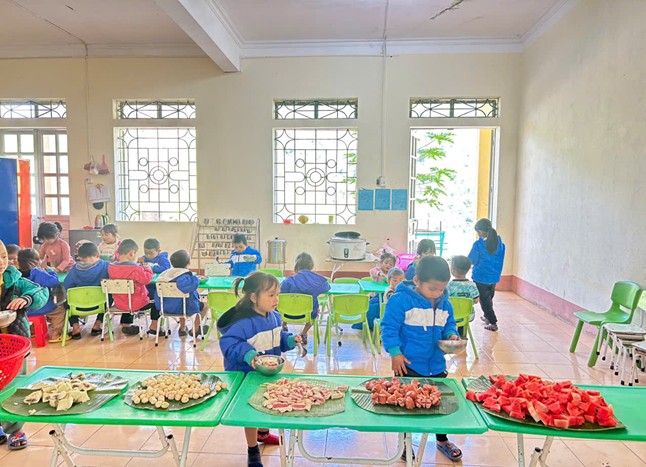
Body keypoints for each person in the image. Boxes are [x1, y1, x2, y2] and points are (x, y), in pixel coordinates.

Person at [381, 255, 463, 462]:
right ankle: (405, 444)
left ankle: (442, 440)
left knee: (439, 405)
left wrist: (451, 335)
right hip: (408, 364)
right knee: (406, 407)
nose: (437, 293)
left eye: (442, 289)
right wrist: (395, 352)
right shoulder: (400, 301)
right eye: (433, 288)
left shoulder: (445, 304)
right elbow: (389, 328)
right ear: (417, 281)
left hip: (436, 364)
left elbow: (449, 324)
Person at [217, 272, 301, 467]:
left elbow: (278, 337)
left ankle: (263, 434)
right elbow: (229, 343)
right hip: (246, 374)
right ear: (254, 297)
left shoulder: (274, 317)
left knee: (265, 403)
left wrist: (289, 340)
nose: (276, 299)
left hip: (266, 373)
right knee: (251, 412)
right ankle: (252, 449)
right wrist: (248, 355)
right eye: (271, 295)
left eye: (277, 294)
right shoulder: (242, 322)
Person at [0, 240, 49, 451]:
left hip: (14, 346)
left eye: (4, 257)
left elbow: (41, 293)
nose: (2, 262)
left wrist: (26, 299)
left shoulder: (15, 279)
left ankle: (15, 430)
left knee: (13, 387)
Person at [153, 249, 208, 337]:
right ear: (189, 262)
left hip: (165, 307)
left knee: (180, 300)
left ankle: (183, 328)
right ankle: (195, 329)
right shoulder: (185, 276)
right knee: (205, 306)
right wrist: (197, 279)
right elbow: (189, 286)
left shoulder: (165, 274)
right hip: (183, 307)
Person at [279, 252, 330, 344]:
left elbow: (280, 293)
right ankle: (304, 333)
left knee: (284, 302)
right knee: (315, 307)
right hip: (308, 315)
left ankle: (284, 324)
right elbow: (327, 287)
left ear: (297, 266)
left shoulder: (289, 280)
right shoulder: (318, 280)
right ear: (311, 265)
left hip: (287, 314)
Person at [17, 248, 66, 342]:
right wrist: (51, 272)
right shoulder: (38, 272)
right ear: (36, 262)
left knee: (35, 317)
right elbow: (54, 282)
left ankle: (33, 330)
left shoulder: (17, 275)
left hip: (26, 311)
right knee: (60, 311)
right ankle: (56, 333)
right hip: (45, 306)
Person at [63, 242, 110, 339]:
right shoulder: (106, 266)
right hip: (99, 304)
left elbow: (68, 285)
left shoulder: (74, 269)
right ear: (98, 255)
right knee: (109, 297)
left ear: (80, 257)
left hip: (78, 305)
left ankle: (76, 328)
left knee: (67, 303)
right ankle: (97, 325)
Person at [107, 239, 154, 336]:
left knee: (127, 295)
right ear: (132, 253)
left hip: (119, 303)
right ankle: (154, 326)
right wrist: (148, 270)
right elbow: (146, 280)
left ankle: (126, 324)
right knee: (156, 300)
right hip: (135, 303)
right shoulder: (135, 268)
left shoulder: (111, 267)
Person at [468, 218, 505, 332]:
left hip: (481, 277)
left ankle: (493, 322)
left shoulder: (478, 245)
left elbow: (472, 260)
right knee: (489, 298)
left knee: (484, 301)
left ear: (480, 232)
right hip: (494, 277)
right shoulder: (500, 245)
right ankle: (487, 316)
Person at [353, 267, 405, 331]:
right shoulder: (390, 291)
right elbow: (395, 301)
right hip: (389, 316)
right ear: (388, 281)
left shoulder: (400, 290)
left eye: (401, 280)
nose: (398, 283)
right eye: (395, 280)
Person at [447, 255, 480, 337]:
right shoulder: (472, 285)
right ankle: (462, 336)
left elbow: (445, 300)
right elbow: (476, 301)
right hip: (467, 316)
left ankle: (450, 334)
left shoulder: (449, 285)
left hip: (450, 315)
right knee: (462, 316)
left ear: (453, 270)